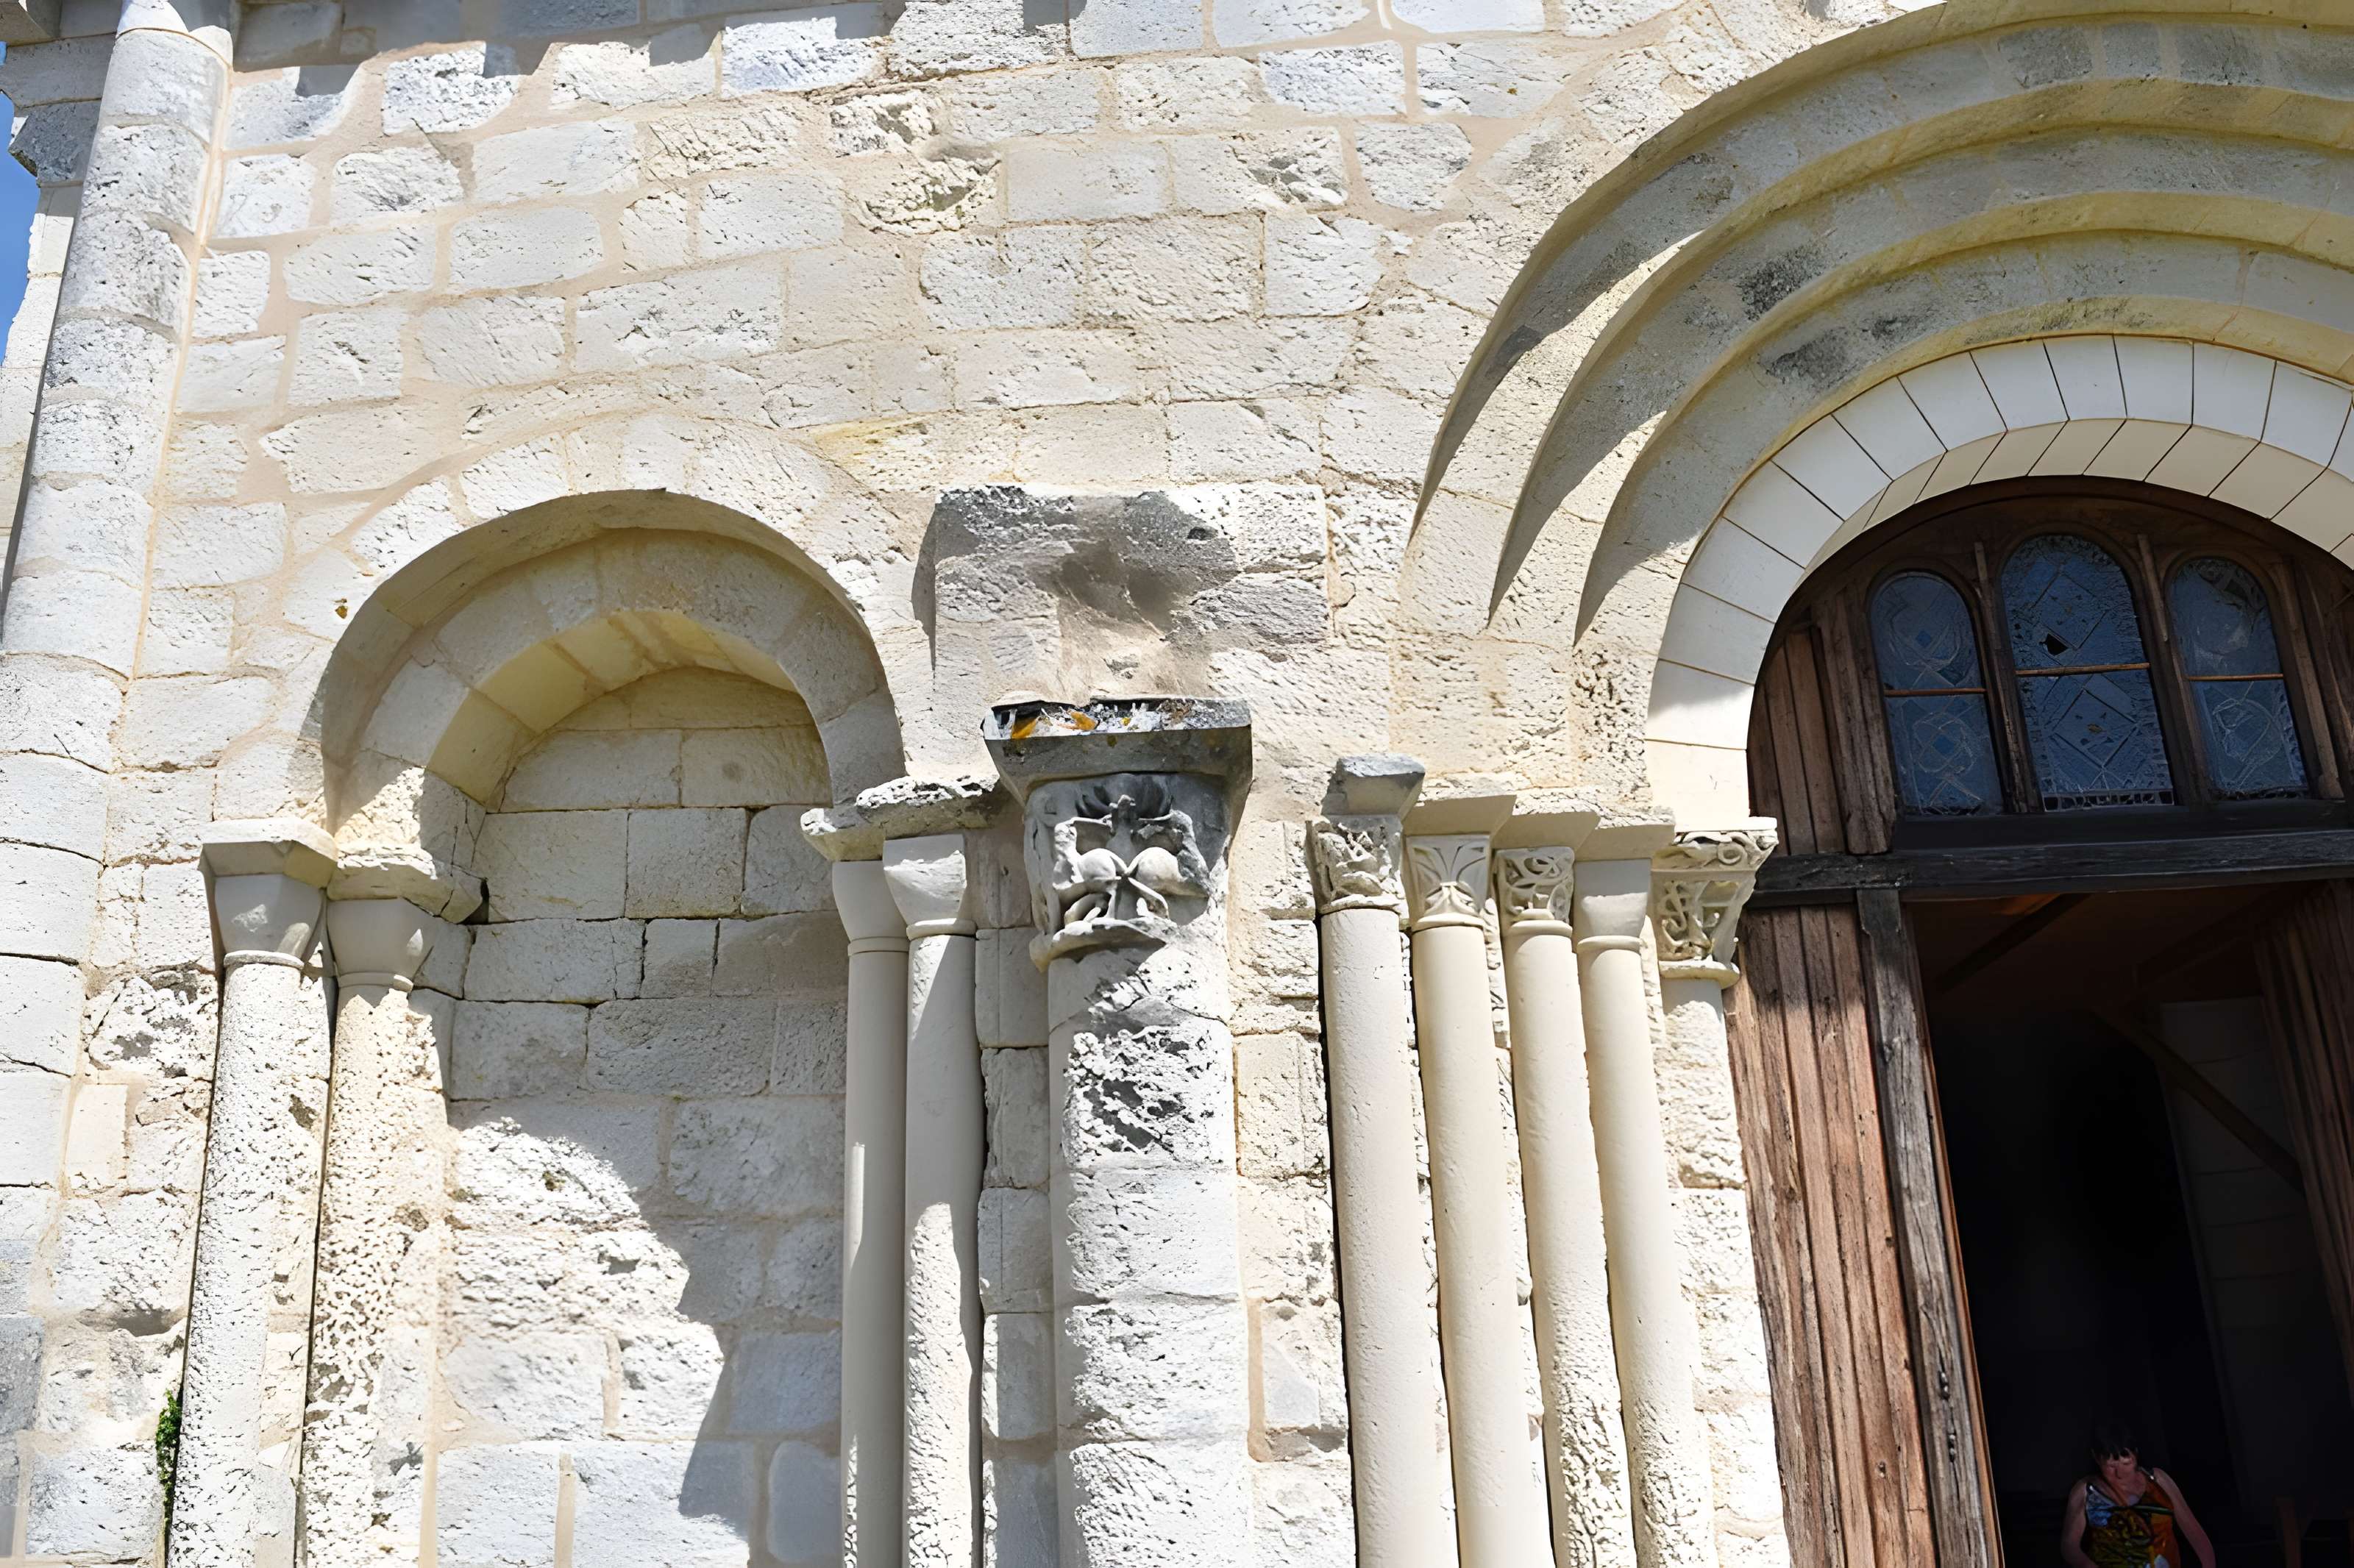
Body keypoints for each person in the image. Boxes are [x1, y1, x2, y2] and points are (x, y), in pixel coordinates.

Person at [2061, 1424, 2216, 1568]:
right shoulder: (2086, 1490)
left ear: (2135, 1454)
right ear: (2096, 1458)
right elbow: (2070, 1545)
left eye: (2126, 1464)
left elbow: (2195, 1533)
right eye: (2111, 1467)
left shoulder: (2158, 1481)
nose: (2120, 1473)